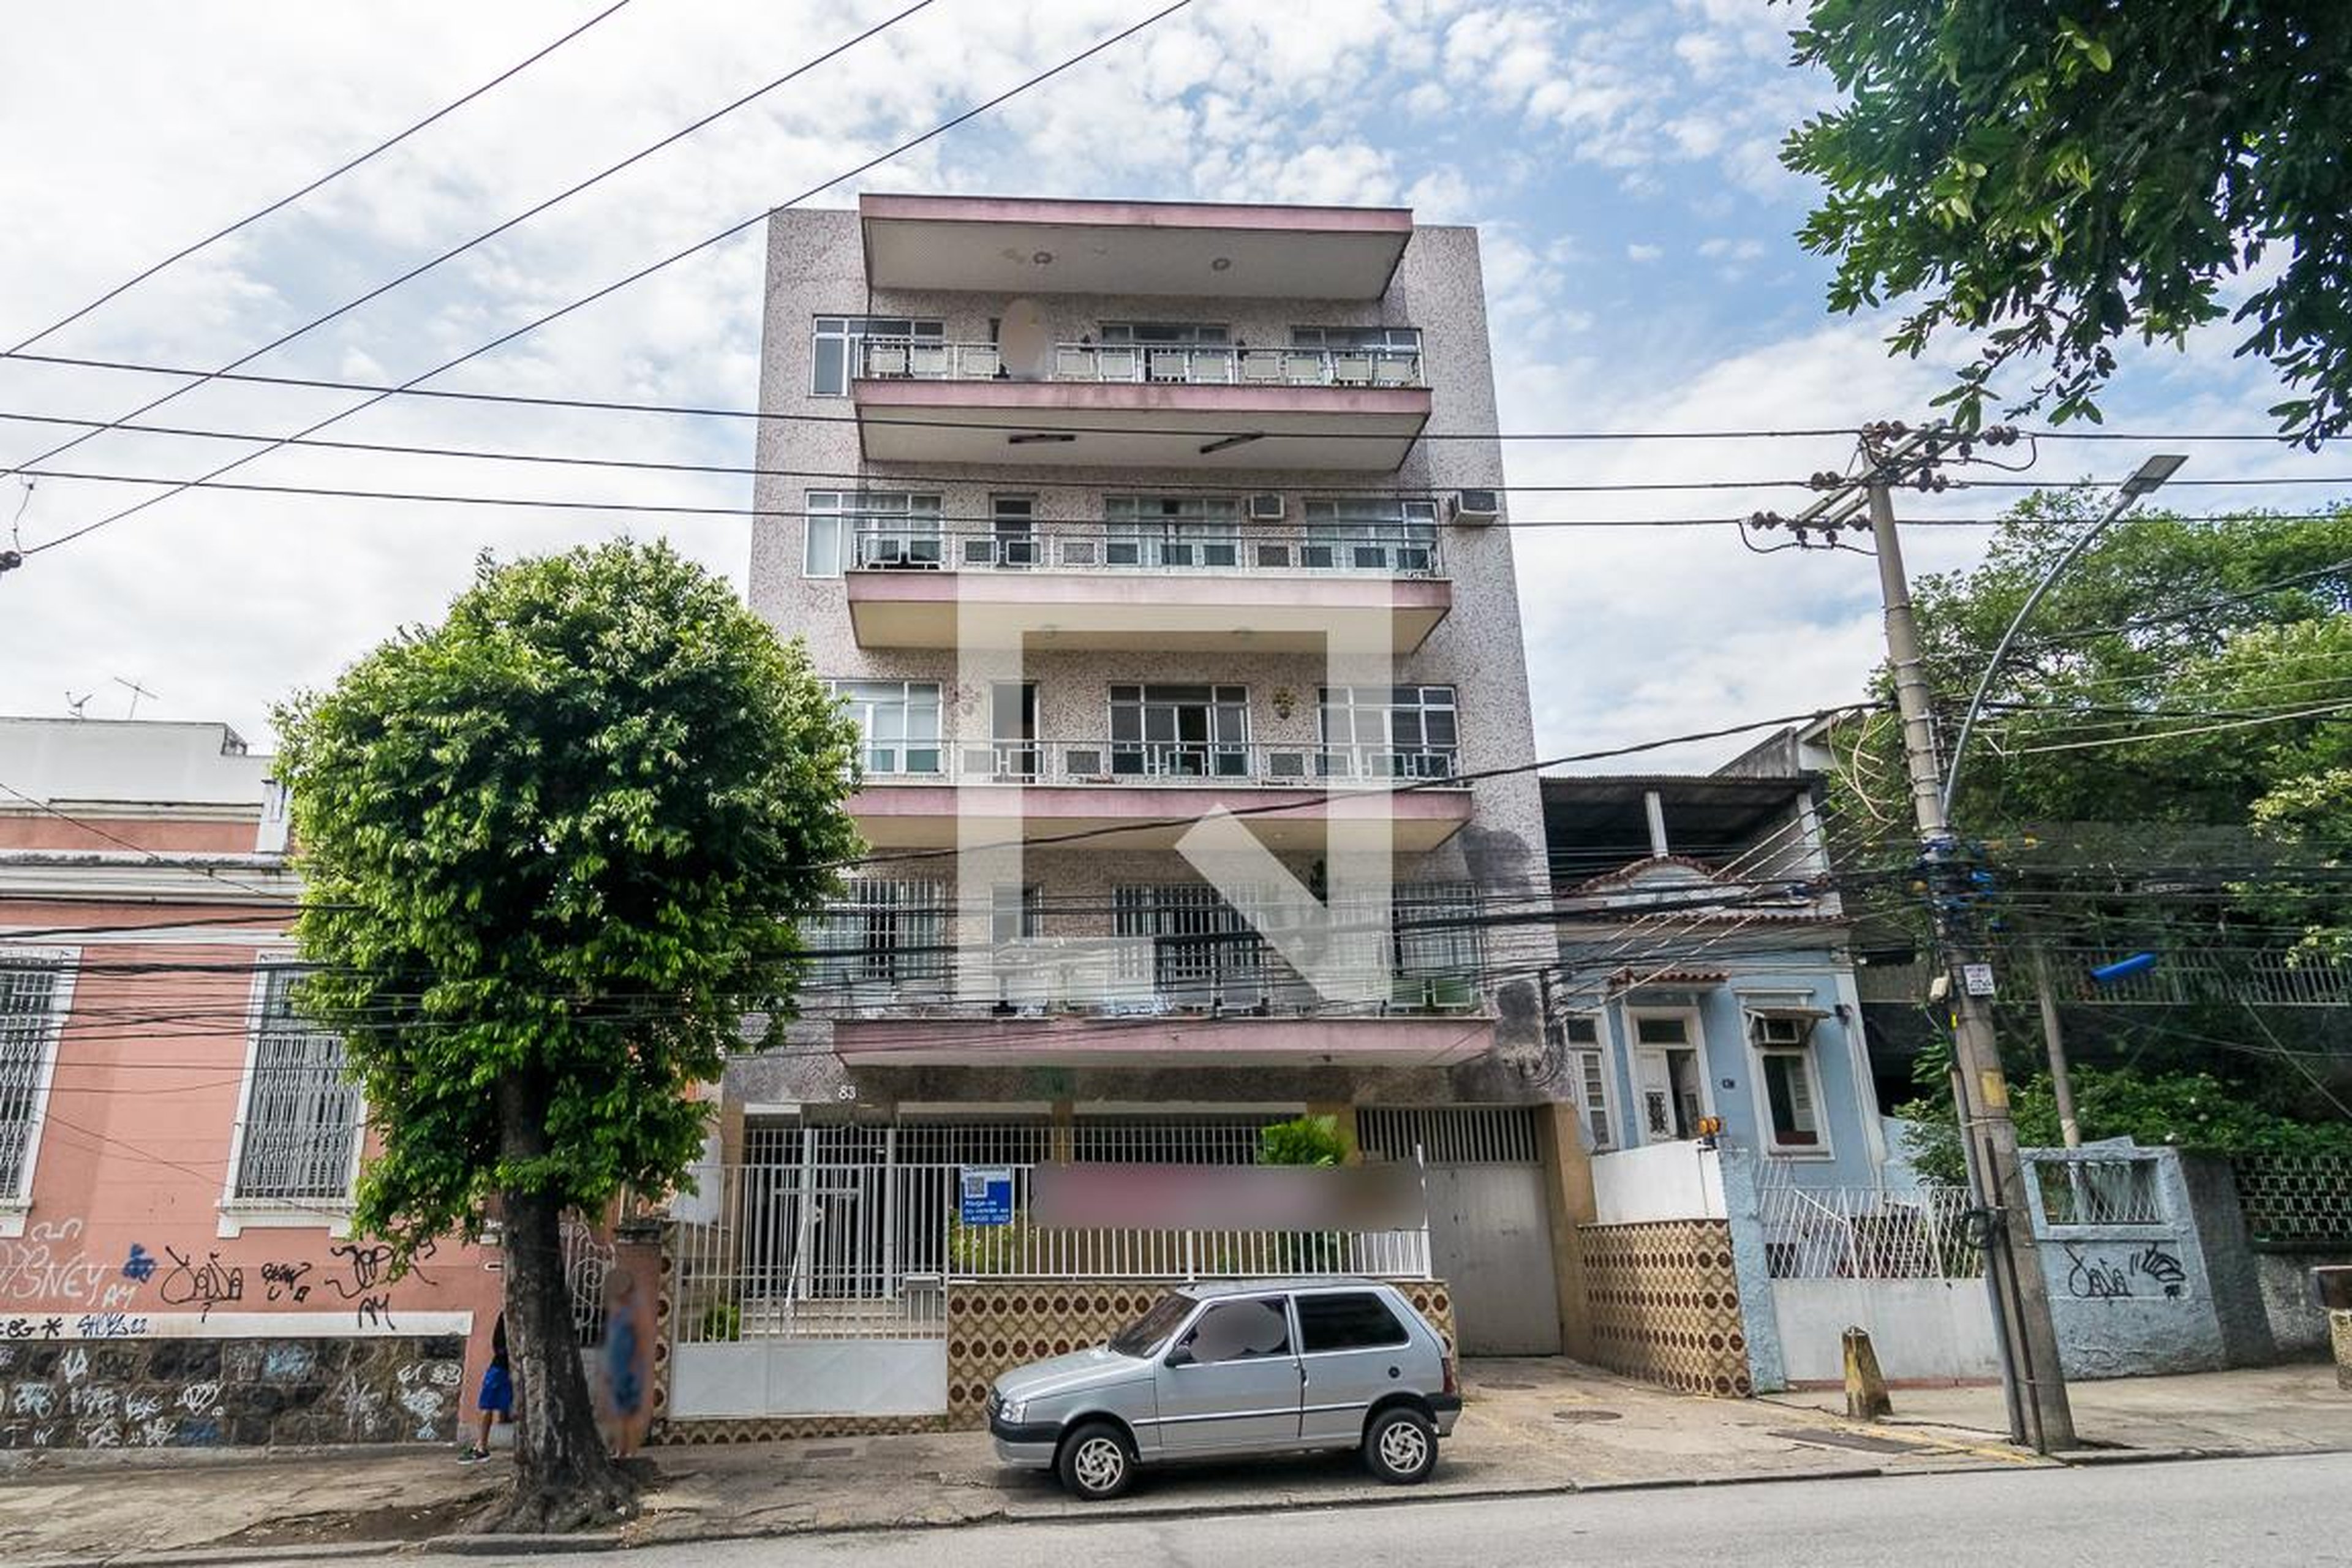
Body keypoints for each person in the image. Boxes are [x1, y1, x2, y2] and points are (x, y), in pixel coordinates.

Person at [604, 1272, 646, 1460]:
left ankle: (629, 1450)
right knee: (618, 1413)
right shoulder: (617, 1314)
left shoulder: (632, 1314)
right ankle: (619, 1448)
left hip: (629, 1370)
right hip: (617, 1370)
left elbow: (640, 1343)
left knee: (628, 1413)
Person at [459, 1311, 511, 1462]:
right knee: (488, 1405)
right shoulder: (507, 1315)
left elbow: (498, 1343)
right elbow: (498, 1343)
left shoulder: (507, 1315)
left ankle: (481, 1446)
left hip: (502, 1366)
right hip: (505, 1365)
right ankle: (480, 1445)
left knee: (487, 1405)